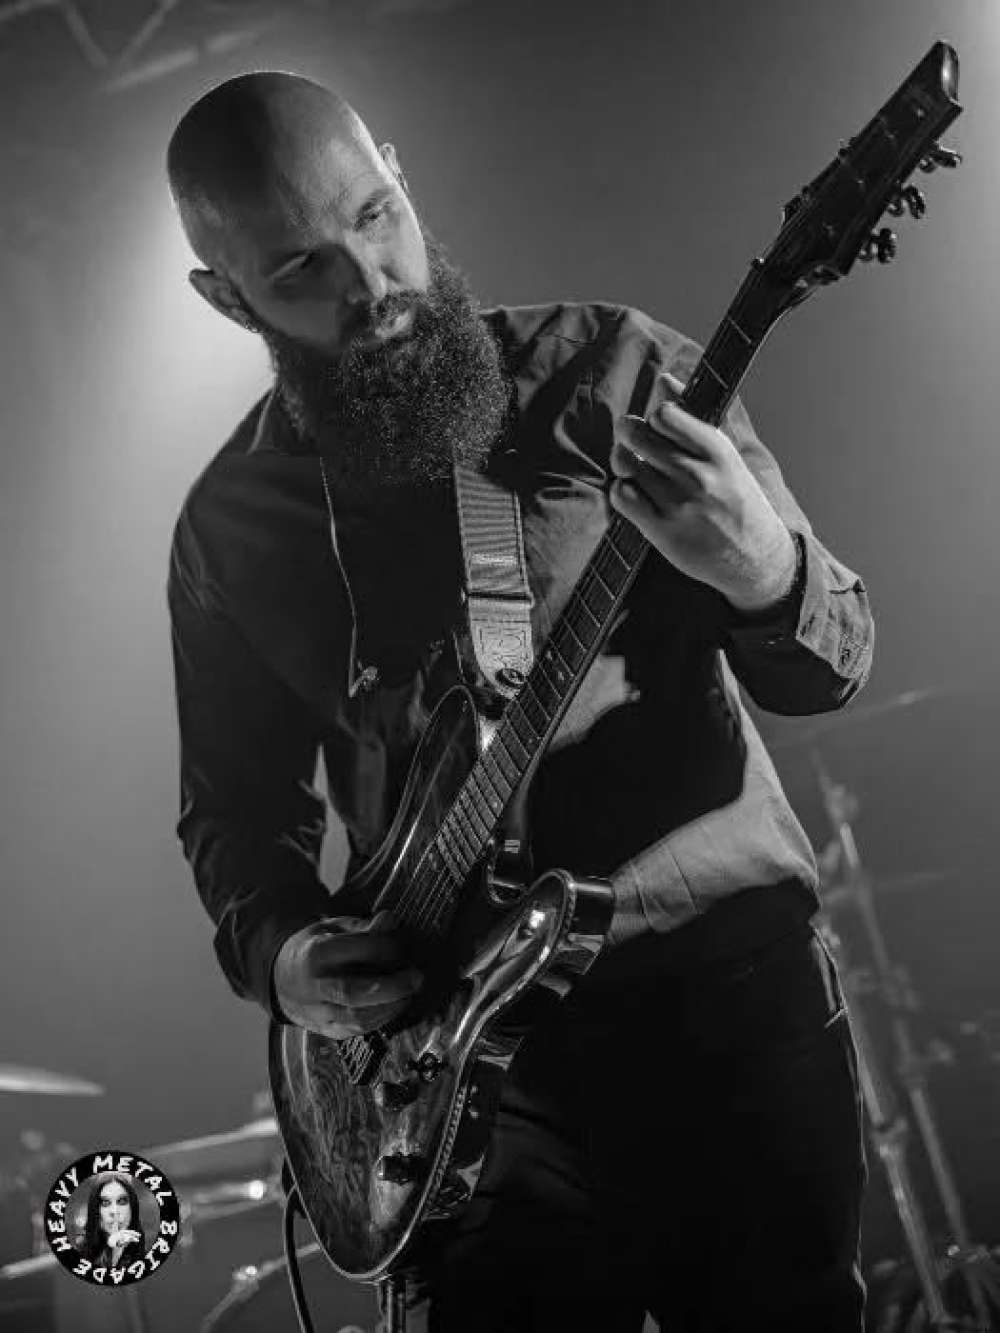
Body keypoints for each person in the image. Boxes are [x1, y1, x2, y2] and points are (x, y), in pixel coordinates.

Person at [166, 71, 873, 1332]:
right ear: (226, 298)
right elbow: (231, 811)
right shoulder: (229, 529)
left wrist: (761, 567)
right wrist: (287, 960)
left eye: (376, 214)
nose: (374, 284)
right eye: (302, 268)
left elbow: (832, 662)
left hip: (721, 1008)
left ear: (398, 170)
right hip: (455, 1091)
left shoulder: (612, 368)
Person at [77, 1175, 145, 1269]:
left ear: (132, 1208)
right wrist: (113, 1253)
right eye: (105, 1203)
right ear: (95, 1209)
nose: (114, 1211)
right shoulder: (78, 1250)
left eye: (122, 1201)